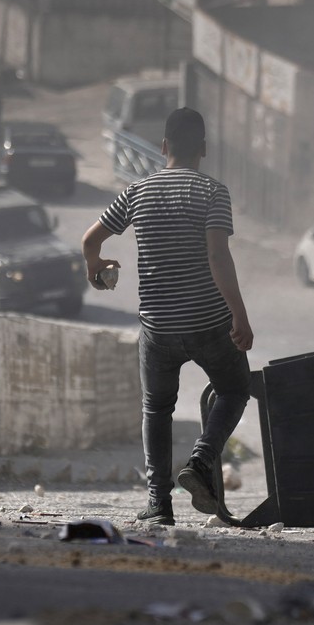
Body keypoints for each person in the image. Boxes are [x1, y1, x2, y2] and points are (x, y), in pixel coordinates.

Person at [81, 107, 253, 526]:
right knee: (235, 388)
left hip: (157, 328)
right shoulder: (213, 191)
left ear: (163, 147)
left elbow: (90, 239)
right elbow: (217, 255)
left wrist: (96, 267)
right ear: (205, 150)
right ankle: (201, 459)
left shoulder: (137, 191)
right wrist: (239, 316)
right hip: (208, 323)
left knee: (156, 409)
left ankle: (159, 504)